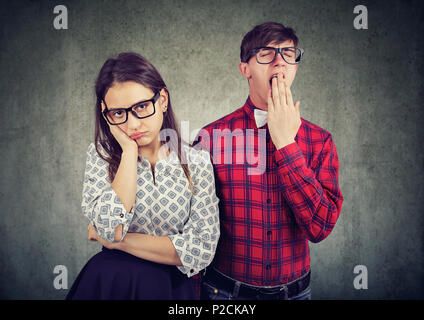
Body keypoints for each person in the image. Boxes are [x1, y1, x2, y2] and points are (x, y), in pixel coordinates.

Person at [193, 22, 344, 300]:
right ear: (245, 69)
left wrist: (286, 144)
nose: (279, 62)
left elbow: (320, 227)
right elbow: (193, 230)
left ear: (295, 67)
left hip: (295, 293)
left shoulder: (320, 141)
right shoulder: (210, 139)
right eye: (266, 53)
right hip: (224, 293)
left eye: (288, 53)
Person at [66, 52, 220, 300]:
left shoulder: (196, 161)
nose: (133, 124)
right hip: (109, 285)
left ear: (162, 100)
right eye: (118, 113)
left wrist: (118, 242)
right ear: (106, 114)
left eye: (141, 107)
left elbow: (200, 249)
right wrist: (128, 151)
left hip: (169, 290)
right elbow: (111, 228)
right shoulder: (100, 156)